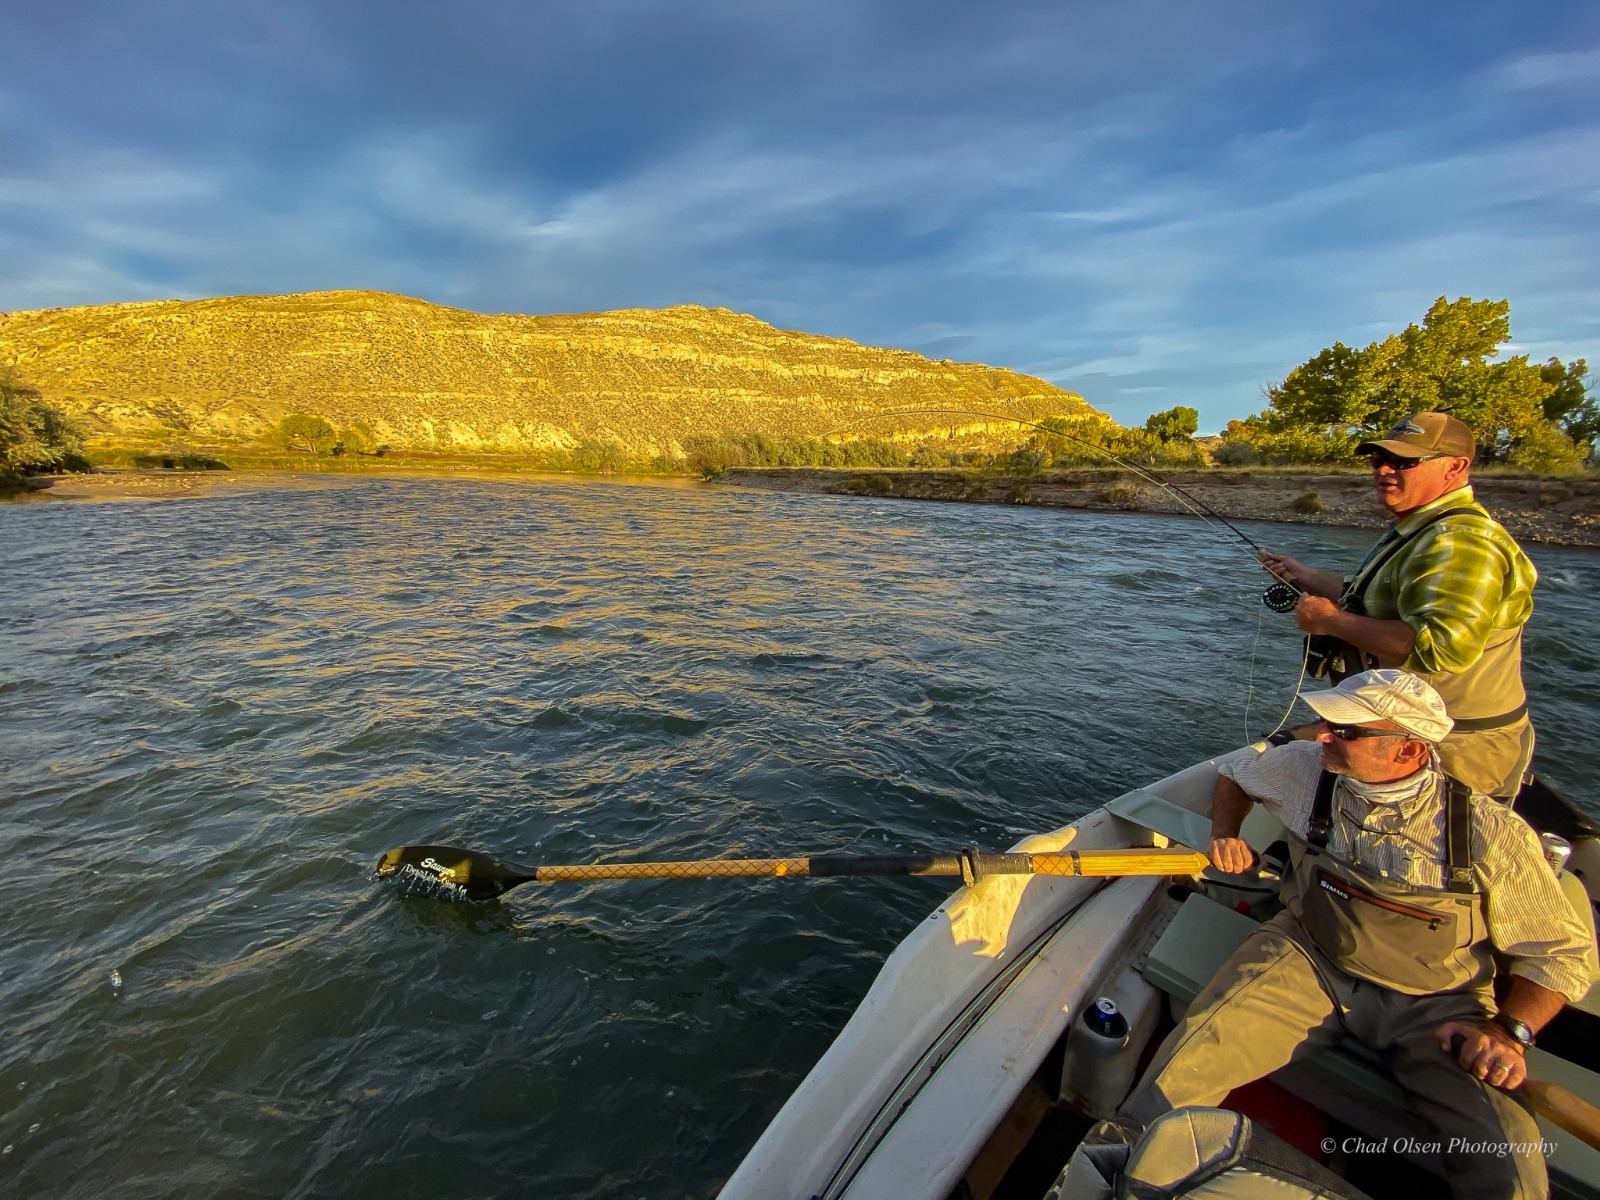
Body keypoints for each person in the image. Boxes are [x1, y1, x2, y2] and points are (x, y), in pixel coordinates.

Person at [1122, 669, 1593, 1200]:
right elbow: (1235, 774)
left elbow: (1560, 955)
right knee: (1182, 1069)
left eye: (1345, 731)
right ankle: (1121, 1170)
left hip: (1436, 1007)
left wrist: (1510, 1033)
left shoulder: (1489, 833)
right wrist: (1224, 833)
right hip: (1308, 956)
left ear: (1409, 750)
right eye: (1327, 722)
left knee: (1508, 1161)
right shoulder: (1306, 769)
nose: (1322, 735)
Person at [1259, 412, 1537, 799]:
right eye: (1378, 461)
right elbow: (1366, 597)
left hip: (1449, 746)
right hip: (1395, 729)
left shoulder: (1460, 541)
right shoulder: (1418, 530)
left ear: (1455, 467)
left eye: (1404, 461)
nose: (1385, 470)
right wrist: (1301, 573)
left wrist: (1331, 622)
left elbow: (1439, 646)